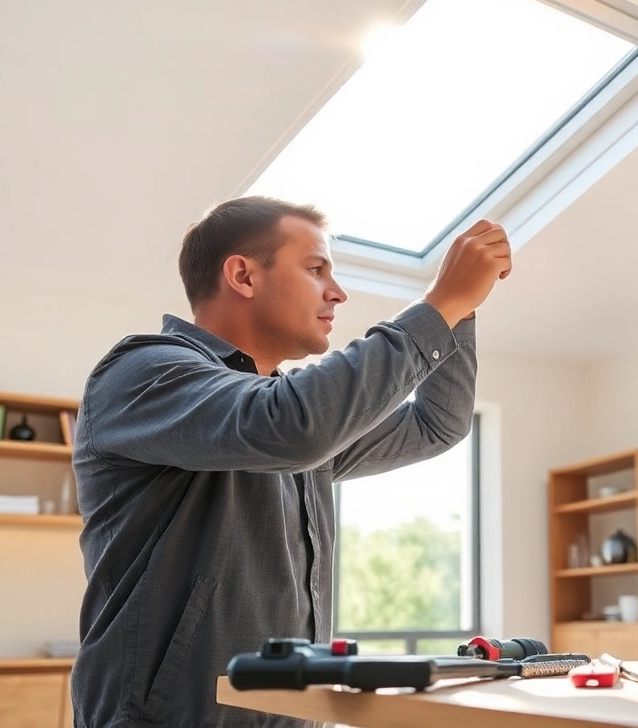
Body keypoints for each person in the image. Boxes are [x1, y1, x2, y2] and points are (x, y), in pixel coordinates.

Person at [69, 196, 511, 727]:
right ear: (243, 275)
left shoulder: (289, 418)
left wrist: (458, 312)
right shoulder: (145, 372)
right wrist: (439, 304)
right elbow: (289, 425)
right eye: (316, 268)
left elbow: (436, 425)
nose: (337, 292)